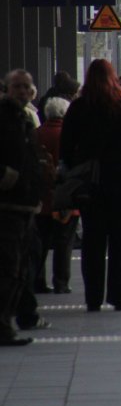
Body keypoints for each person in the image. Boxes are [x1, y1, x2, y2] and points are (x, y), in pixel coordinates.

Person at [61, 60, 121, 312]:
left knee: (93, 240)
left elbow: (66, 147)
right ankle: (120, 298)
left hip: (92, 185)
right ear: (114, 78)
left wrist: (76, 170)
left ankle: (93, 298)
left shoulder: (78, 108)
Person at [4, 70, 50, 332]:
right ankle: (9, 322)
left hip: (25, 204)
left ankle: (21, 316)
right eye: (17, 86)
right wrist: (6, 177)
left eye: (26, 87)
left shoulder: (24, 118)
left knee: (23, 263)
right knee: (11, 265)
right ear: (8, 89)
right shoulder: (6, 117)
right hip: (9, 205)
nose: (22, 91)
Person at [36, 97, 77, 294]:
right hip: (65, 198)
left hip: (41, 198)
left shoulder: (37, 134)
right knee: (63, 242)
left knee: (40, 242)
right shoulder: (70, 135)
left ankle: (38, 281)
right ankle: (61, 282)